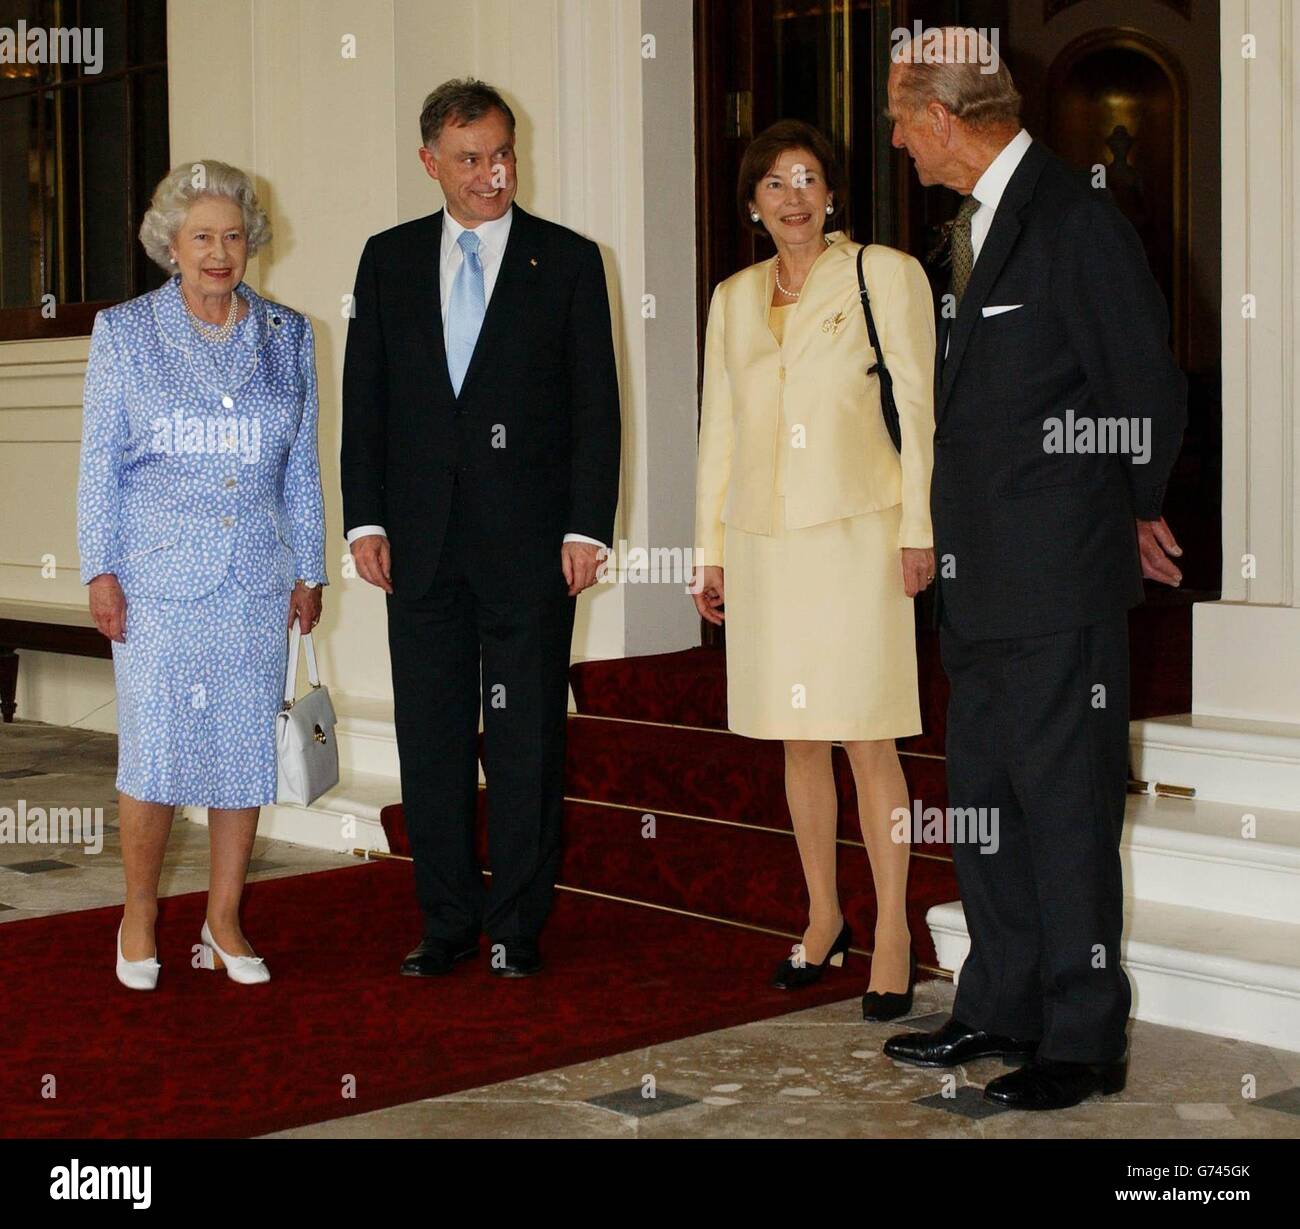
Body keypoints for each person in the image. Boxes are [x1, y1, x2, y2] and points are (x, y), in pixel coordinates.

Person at [881, 29, 1187, 1108]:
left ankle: (1080, 1035)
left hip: (1056, 581)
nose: (893, 137)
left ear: (941, 116)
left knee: (1062, 810)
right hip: (977, 580)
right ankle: (998, 1000)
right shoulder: (969, 227)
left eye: (898, 116)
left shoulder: (1074, 223)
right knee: (987, 802)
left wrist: (1130, 507)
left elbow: (1142, 392)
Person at [341, 79, 621, 979]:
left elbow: (597, 411)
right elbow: (366, 402)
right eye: (469, 159)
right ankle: (448, 919)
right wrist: (365, 519)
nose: (492, 174)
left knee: (526, 736)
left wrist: (588, 525)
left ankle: (517, 924)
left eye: (502, 153)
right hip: (417, 543)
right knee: (431, 735)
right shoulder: (386, 260)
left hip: (532, 546)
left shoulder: (569, 260)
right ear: (430, 163)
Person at [692, 120, 936, 1015]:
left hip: (858, 535)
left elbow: (920, 409)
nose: (793, 196)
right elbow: (719, 426)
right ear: (753, 204)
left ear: (832, 192)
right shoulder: (734, 296)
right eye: (774, 183)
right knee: (797, 739)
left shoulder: (884, 274)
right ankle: (824, 916)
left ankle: (897, 932)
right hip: (765, 541)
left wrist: (919, 528)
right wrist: (709, 549)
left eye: (808, 179)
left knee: (868, 736)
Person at [78, 159, 326, 991]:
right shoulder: (125, 331)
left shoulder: (290, 335)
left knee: (240, 751)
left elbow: (301, 468)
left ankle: (224, 917)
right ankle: (140, 914)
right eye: (201, 238)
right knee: (154, 752)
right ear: (171, 246)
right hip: (155, 578)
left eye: (232, 236)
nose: (219, 253)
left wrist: (311, 565)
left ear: (251, 240)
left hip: (257, 573)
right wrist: (98, 570)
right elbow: (99, 465)